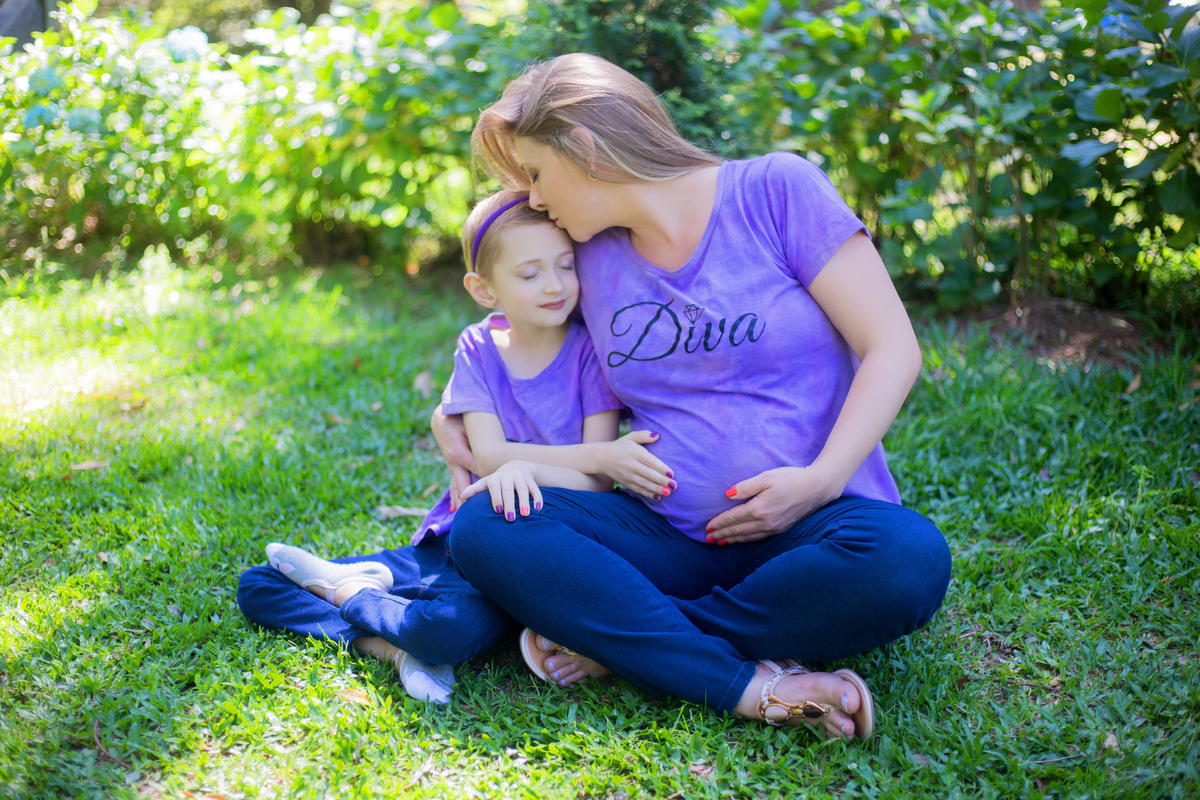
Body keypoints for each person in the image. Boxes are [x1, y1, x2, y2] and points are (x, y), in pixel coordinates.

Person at [434, 53, 953, 740]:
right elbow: (507, 331)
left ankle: (621, 640)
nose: (533, 197)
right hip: (662, 538)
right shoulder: (586, 254)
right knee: (486, 527)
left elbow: (893, 348)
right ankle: (751, 685)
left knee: (908, 560)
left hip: (813, 532)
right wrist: (449, 417)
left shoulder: (776, 191)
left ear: (585, 148)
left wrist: (820, 481)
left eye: (536, 172)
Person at [236, 189, 672, 702]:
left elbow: (594, 489)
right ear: (484, 289)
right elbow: (489, 456)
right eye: (529, 274)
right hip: (460, 537)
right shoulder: (479, 346)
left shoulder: (590, 353)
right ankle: (382, 619)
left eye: (565, 266)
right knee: (259, 585)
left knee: (448, 632)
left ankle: (363, 607)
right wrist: (598, 455)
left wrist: (557, 466)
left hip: (539, 548)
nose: (555, 285)